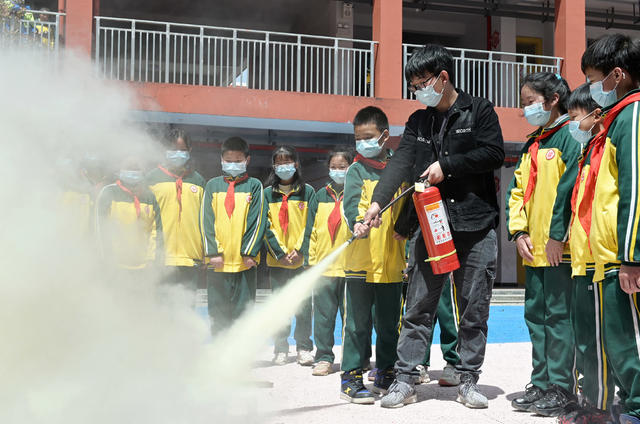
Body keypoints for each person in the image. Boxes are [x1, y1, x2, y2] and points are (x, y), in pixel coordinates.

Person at [362, 44, 504, 409]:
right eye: (414, 87)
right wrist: (378, 202)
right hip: (433, 226)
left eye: (423, 83)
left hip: (475, 224)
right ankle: (406, 378)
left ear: (443, 77)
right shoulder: (418, 121)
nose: (419, 92)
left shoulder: (480, 111)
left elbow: (493, 153)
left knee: (474, 306)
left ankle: (468, 378)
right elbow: (401, 164)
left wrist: (448, 165)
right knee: (419, 304)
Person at [506, 72, 580, 417]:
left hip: (558, 250)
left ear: (553, 100)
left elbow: (572, 190)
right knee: (536, 317)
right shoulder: (534, 141)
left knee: (559, 319)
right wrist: (519, 232)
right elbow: (517, 190)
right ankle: (541, 381)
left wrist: (557, 235)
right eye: (523, 103)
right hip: (534, 249)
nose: (526, 109)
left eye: (530, 101)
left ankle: (562, 388)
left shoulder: (569, 136)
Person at [579, 34, 640, 424]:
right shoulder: (613, 120)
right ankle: (627, 405)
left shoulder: (633, 116)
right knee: (617, 342)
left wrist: (632, 257)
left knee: (629, 342)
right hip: (607, 256)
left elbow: (635, 189)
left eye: (593, 79)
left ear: (617, 75)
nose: (590, 89)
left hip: (624, 257)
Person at [553, 84, 616, 424]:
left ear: (594, 116)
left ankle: (605, 405)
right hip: (582, 258)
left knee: (606, 340)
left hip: (602, 257)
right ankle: (592, 399)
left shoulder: (608, 146)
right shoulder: (585, 152)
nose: (571, 126)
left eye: (575, 118)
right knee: (585, 339)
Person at [339, 106, 407, 404]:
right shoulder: (355, 170)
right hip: (360, 261)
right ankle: (351, 375)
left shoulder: (398, 169)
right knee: (357, 323)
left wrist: (404, 229)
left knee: (390, 322)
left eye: (368, 137)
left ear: (384, 136)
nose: (363, 142)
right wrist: (358, 222)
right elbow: (351, 204)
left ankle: (386, 371)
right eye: (358, 138)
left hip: (391, 261)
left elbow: (407, 207)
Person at [200, 136, 266, 335]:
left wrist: (249, 252)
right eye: (228, 160)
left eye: (238, 161)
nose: (233, 164)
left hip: (244, 263)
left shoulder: (254, 186)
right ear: (221, 160)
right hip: (218, 262)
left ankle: (240, 356)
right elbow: (206, 221)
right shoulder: (212, 186)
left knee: (243, 312)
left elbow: (257, 221)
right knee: (217, 311)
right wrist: (213, 252)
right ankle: (220, 353)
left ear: (247, 160)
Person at [263, 145, 317, 366]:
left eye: (288, 162)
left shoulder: (308, 192)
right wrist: (279, 252)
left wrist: (301, 250)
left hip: (300, 262)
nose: (284, 166)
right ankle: (281, 348)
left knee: (303, 307)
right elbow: (264, 225)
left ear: (296, 164)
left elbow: (311, 224)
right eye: (279, 163)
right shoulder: (267, 194)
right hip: (277, 261)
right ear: (274, 166)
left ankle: (304, 347)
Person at [308, 148, 353, 376]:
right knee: (324, 316)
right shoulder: (319, 196)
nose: (337, 171)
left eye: (342, 167)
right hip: (324, 266)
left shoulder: (356, 194)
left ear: (351, 167)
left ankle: (351, 358)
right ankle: (324, 357)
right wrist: (313, 261)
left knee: (350, 317)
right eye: (334, 167)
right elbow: (312, 231)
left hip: (349, 266)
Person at [147, 129, 206, 294]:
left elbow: (204, 220)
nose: (178, 154)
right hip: (160, 257)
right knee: (161, 309)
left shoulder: (199, 181)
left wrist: (204, 254)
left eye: (182, 150)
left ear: (190, 151)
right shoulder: (151, 179)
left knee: (186, 309)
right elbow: (144, 220)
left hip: (190, 257)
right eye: (173, 150)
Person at [95, 156, 162, 272]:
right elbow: (101, 228)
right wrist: (108, 258)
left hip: (143, 267)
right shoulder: (108, 193)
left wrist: (152, 260)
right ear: (120, 171)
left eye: (136, 169)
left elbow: (155, 231)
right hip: (116, 265)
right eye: (129, 168)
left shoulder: (149, 197)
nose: (132, 172)